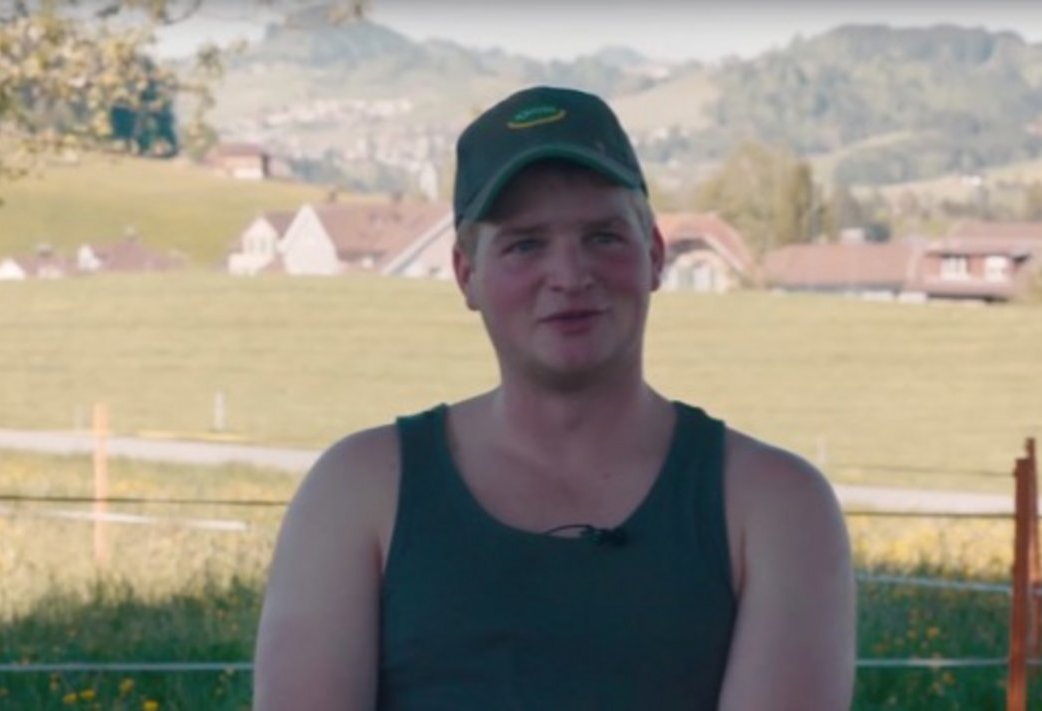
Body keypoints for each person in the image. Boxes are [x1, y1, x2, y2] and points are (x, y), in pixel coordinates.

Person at [253, 86, 855, 710]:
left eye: (603, 237)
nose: (569, 276)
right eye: (525, 244)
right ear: (466, 274)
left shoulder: (777, 506)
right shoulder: (356, 492)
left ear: (654, 256)